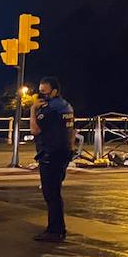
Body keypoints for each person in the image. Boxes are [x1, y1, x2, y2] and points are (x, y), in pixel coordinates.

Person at [29, 76, 75, 242]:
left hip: (50, 154)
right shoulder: (66, 106)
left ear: (54, 91)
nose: (40, 96)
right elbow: (72, 130)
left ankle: (55, 230)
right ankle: (57, 228)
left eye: (44, 92)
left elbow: (35, 130)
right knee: (55, 192)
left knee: (51, 194)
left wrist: (33, 110)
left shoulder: (50, 109)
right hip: (63, 153)